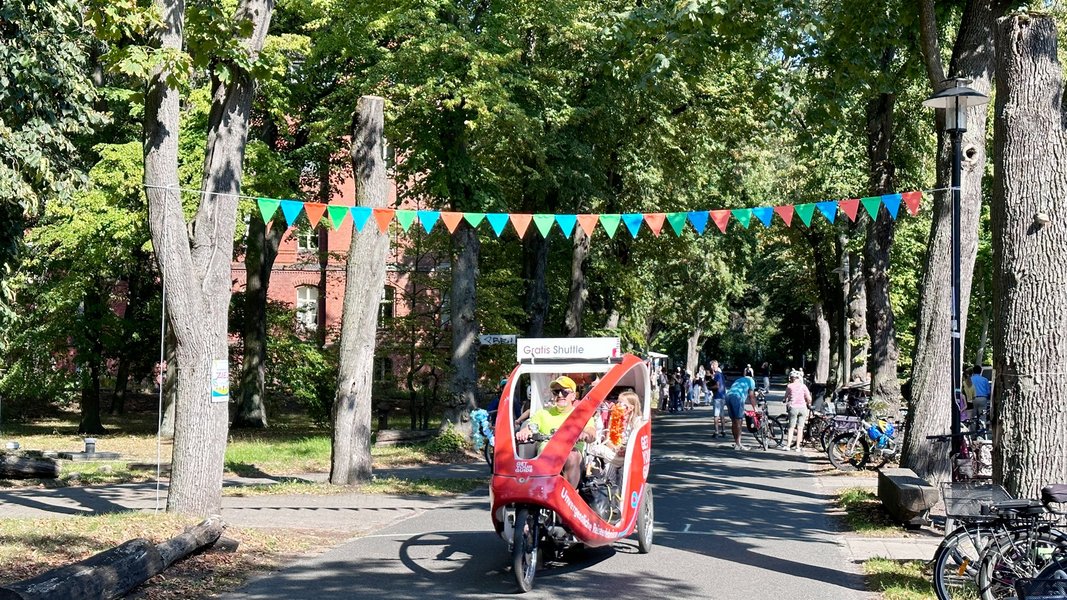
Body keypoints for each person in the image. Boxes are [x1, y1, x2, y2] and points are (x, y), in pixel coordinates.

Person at [516, 376, 597, 488]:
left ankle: (568, 496)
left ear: (573, 395)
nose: (560, 395)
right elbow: (531, 427)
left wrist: (586, 434)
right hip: (547, 457)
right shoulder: (543, 413)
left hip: (572, 460)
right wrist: (525, 431)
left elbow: (591, 433)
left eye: (564, 392)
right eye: (556, 392)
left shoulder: (582, 416)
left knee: (572, 455)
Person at [725, 370, 757, 450]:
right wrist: (755, 408)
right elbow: (751, 396)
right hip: (737, 397)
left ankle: (736, 442)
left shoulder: (739, 379)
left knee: (734, 421)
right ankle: (739, 444)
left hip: (728, 396)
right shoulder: (751, 381)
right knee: (739, 421)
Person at [783, 370, 812, 452]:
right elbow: (809, 398)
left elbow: (785, 397)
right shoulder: (803, 386)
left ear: (792, 378)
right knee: (800, 428)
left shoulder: (789, 386)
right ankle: (798, 447)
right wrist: (808, 403)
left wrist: (784, 400)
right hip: (803, 408)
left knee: (791, 427)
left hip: (793, 407)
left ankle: (788, 445)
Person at [709, 361, 728, 437]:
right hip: (723, 396)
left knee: (716, 415)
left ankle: (716, 431)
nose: (711, 367)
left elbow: (717, 386)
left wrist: (710, 388)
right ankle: (723, 430)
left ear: (714, 366)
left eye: (711, 365)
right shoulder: (721, 375)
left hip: (717, 396)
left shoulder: (717, 375)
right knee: (722, 415)